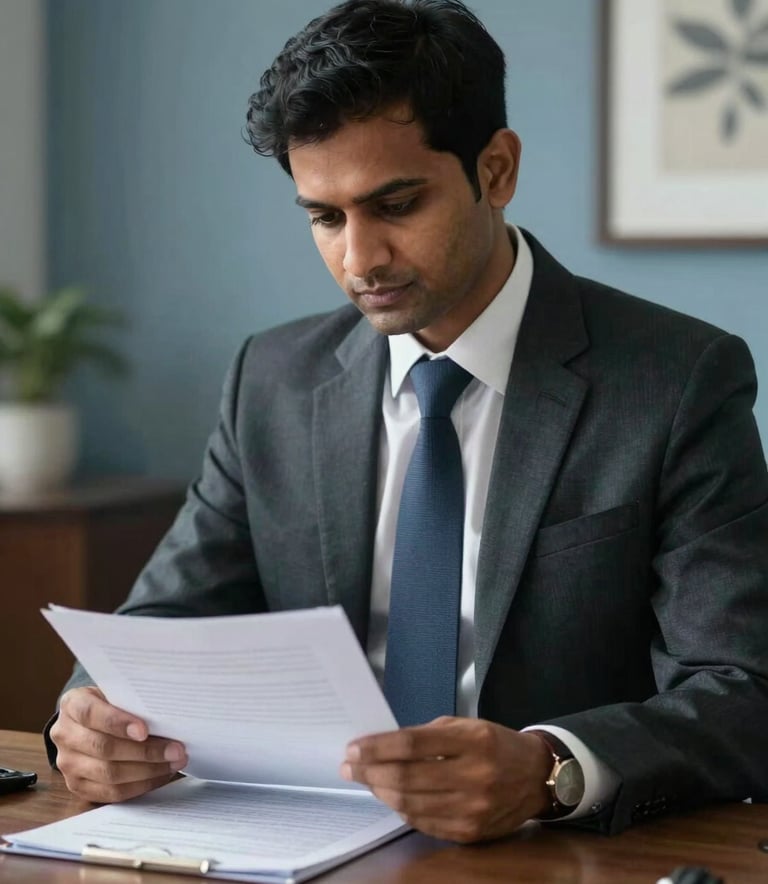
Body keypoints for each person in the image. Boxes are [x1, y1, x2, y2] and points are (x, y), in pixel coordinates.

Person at [47, 0, 768, 843]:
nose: (360, 259)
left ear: (495, 170)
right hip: (299, 841)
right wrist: (90, 718)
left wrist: (553, 767)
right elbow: (161, 624)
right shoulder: (272, 380)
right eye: (325, 217)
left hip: (551, 854)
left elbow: (743, 686)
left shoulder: (676, 380)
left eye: (395, 205)